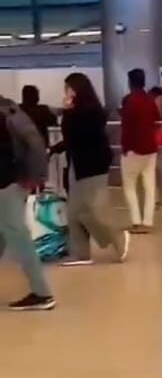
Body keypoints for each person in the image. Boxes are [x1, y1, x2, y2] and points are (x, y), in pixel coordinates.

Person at [53, 73, 129, 266]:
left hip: (91, 166)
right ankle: (80, 253)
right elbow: (71, 139)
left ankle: (117, 237)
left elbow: (75, 135)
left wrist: (68, 112)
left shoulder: (90, 112)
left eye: (69, 88)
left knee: (91, 211)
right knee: (75, 212)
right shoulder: (82, 111)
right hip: (79, 165)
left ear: (77, 89)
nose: (67, 93)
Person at [0, 94, 55, 311]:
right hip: (14, 181)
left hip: (6, 184)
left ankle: (42, 293)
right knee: (6, 234)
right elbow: (34, 143)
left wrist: (34, 178)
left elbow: (29, 146)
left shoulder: (5, 115)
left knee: (17, 235)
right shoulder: (10, 110)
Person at [120, 68, 160, 233]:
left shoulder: (129, 100)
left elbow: (127, 127)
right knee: (149, 186)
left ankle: (136, 221)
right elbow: (156, 120)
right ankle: (148, 222)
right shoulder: (149, 100)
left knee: (129, 185)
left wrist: (125, 148)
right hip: (151, 149)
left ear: (130, 82)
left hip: (133, 149)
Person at [149, 86, 162, 207]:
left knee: (158, 172)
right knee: (160, 172)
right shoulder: (153, 110)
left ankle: (159, 199)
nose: (161, 102)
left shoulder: (153, 109)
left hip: (157, 144)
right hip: (156, 144)